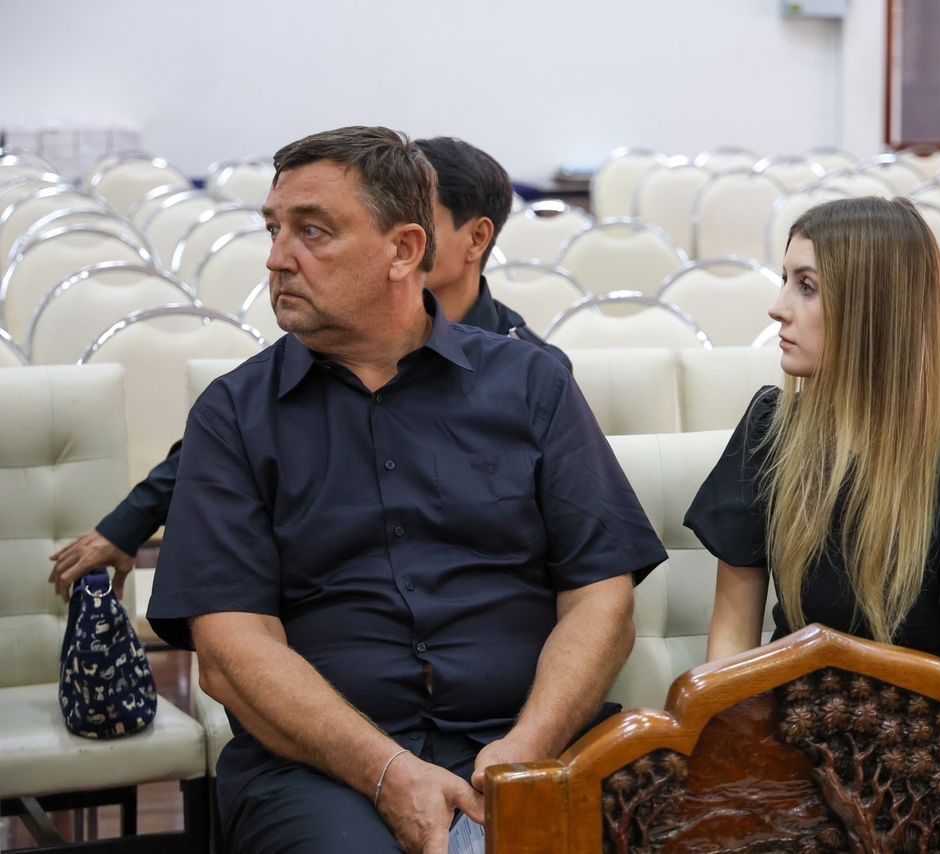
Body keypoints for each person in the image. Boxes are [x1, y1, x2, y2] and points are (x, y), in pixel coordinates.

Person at [145, 126, 666, 853]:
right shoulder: (235, 415)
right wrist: (387, 771)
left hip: (535, 742)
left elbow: (602, 600)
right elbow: (233, 649)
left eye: (311, 231)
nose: (277, 257)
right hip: (321, 768)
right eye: (274, 230)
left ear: (403, 250)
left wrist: (526, 748)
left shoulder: (530, 384)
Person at [47, 135, 567, 603]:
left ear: (473, 239)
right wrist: (128, 524)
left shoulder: (529, 373)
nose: (278, 258)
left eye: (422, 216)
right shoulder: (333, 336)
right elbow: (240, 433)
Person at [685, 197, 940, 687]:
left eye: (806, 286)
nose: (777, 308)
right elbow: (730, 650)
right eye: (785, 280)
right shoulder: (769, 430)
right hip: (785, 724)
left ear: (872, 309)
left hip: (921, 731)